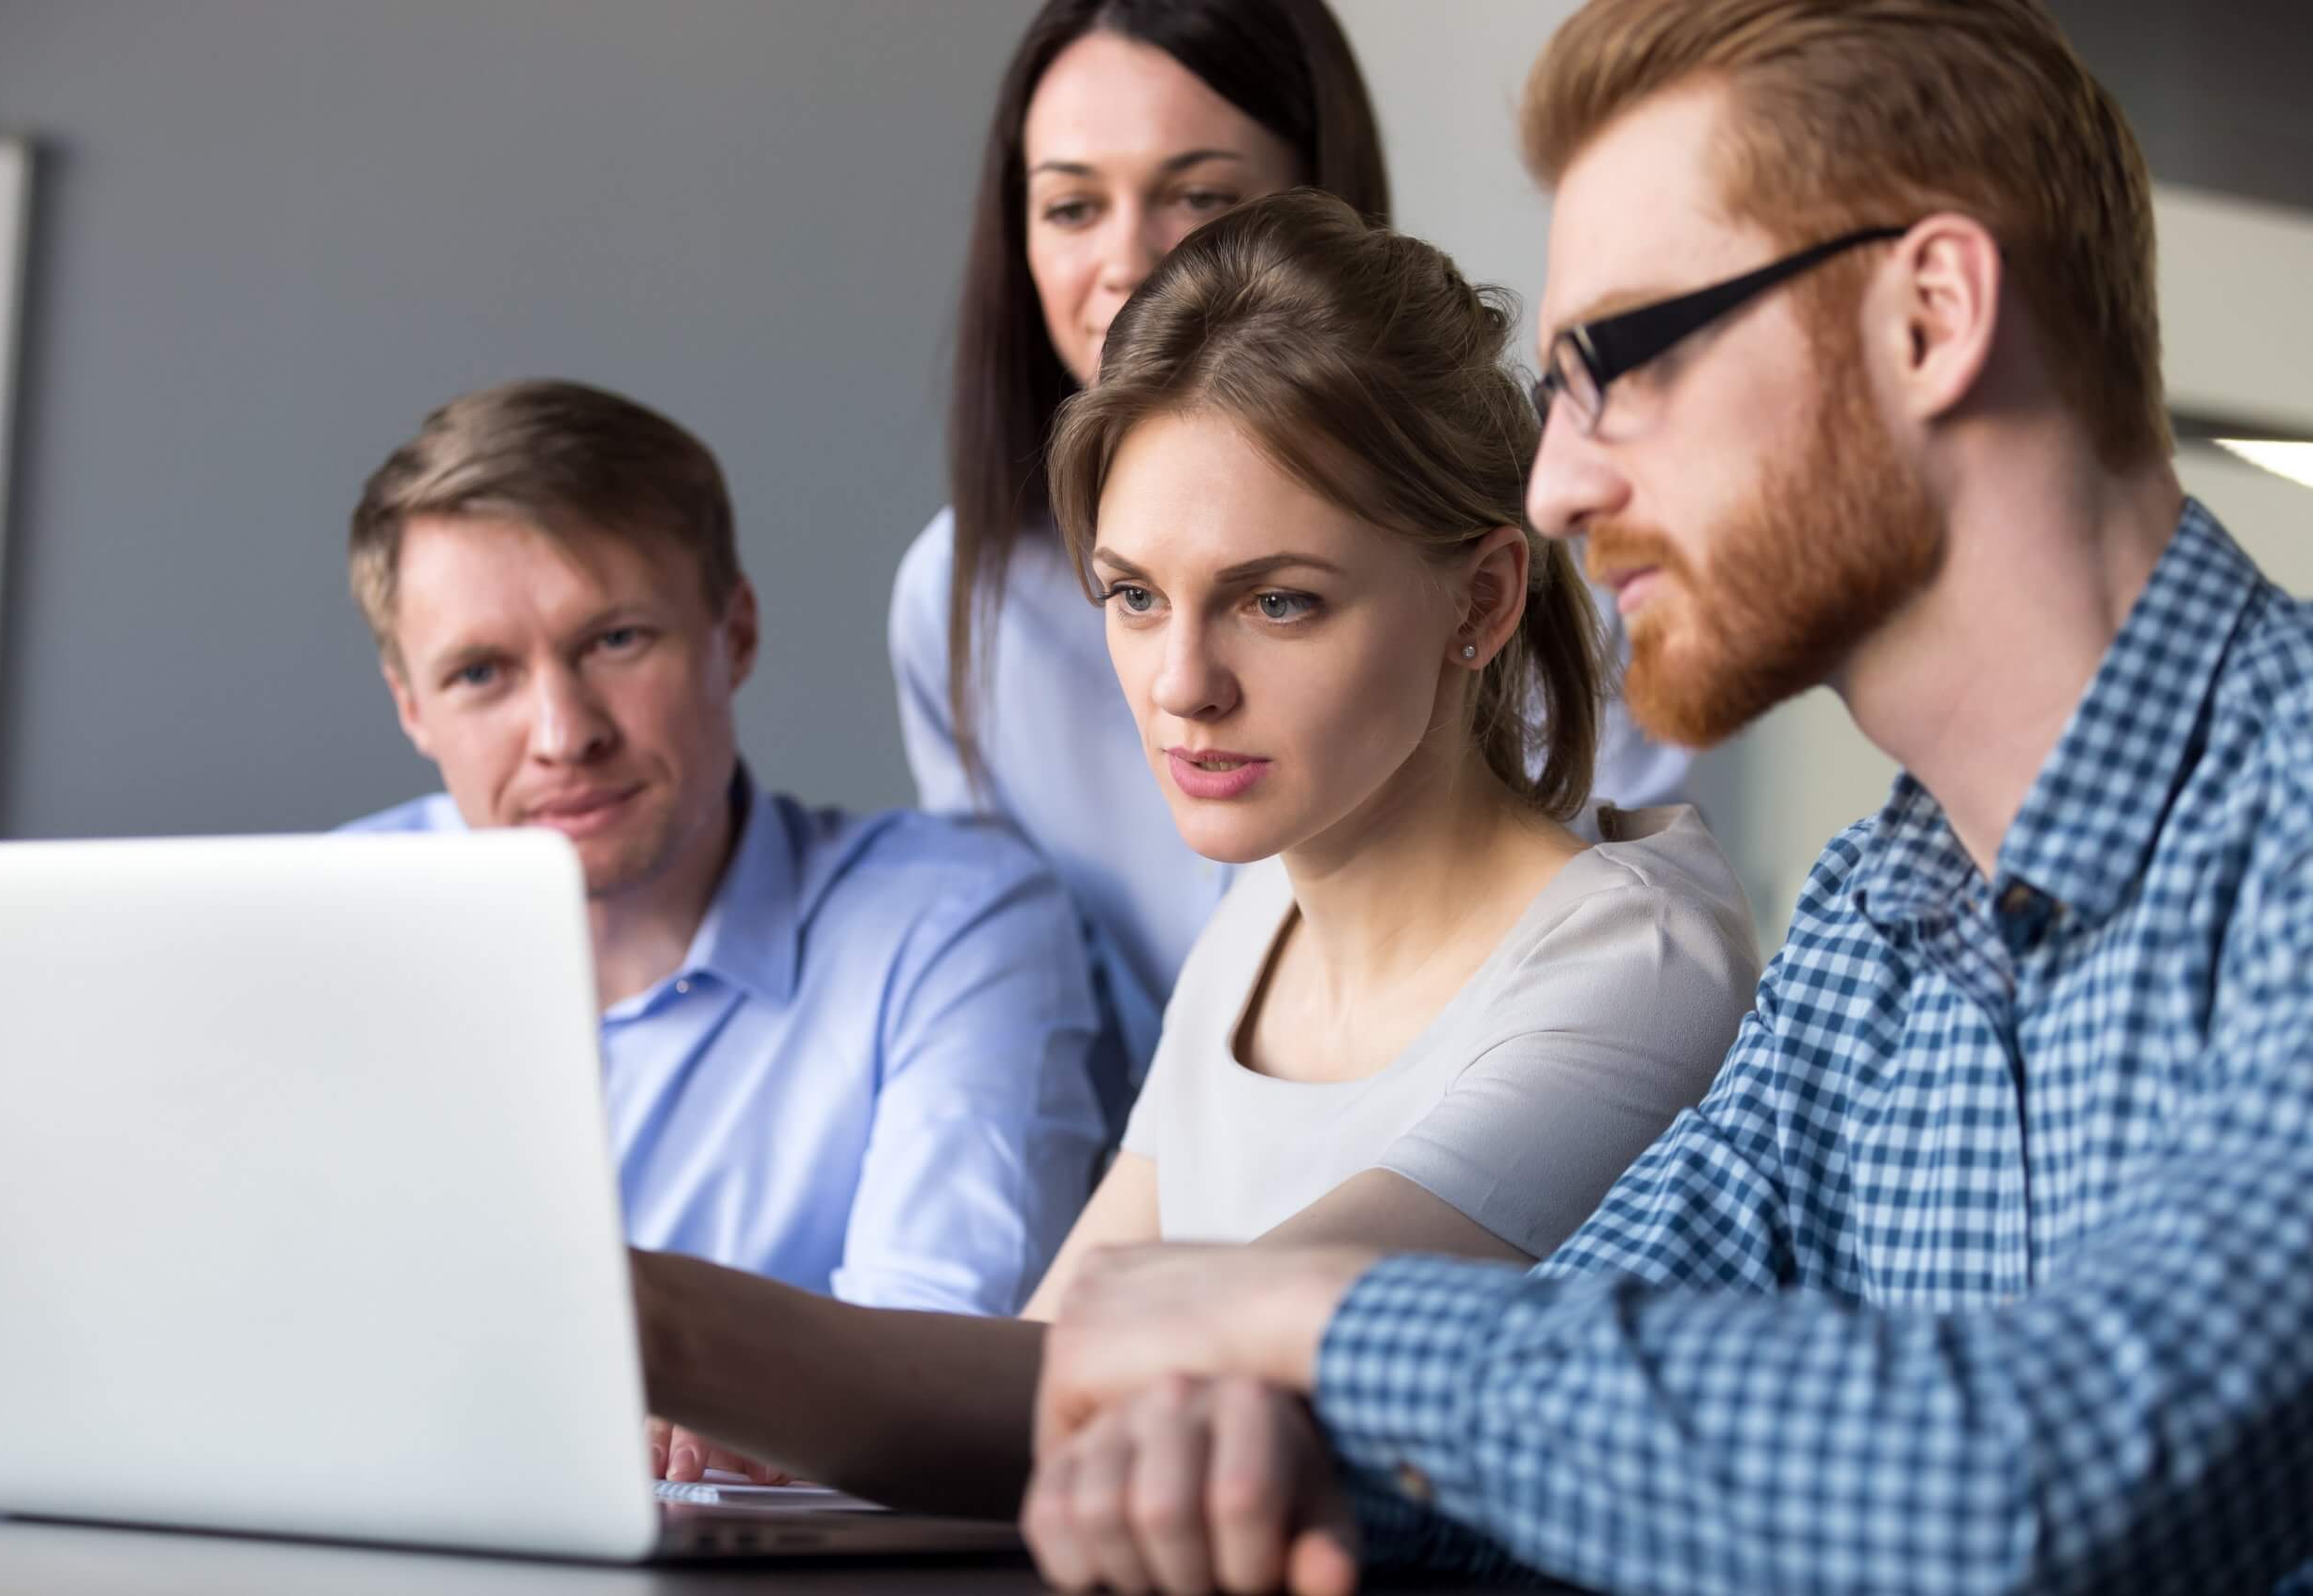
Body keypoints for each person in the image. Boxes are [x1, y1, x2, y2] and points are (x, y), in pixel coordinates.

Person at [1019, 2, 2313, 1592]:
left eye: (1621, 357)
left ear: (1932, 314)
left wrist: (1304, 1318)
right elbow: (1585, 1366)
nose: (1558, 484)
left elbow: (2037, 1485)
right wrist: (1270, 1434)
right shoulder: (1869, 919)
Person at [630, 191, 1760, 1503]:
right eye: (1134, 595)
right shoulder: (1255, 931)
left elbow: (1203, 1342)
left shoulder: (1637, 964)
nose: (1183, 684)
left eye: (1277, 600)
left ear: (1484, 594)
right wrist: (810, 1433)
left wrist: (671, 1326)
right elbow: (1045, 1357)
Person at [887, 0, 1691, 1127]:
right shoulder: (958, 603)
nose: (1125, 262)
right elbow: (1024, 1016)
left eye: (1201, 197)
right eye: (1071, 205)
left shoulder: (1566, 585)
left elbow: (1587, 1014)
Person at [339, 378, 1102, 1317]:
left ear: (733, 636)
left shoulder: (951, 929)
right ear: (412, 707)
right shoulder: (326, 928)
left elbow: (940, 1357)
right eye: (481, 673)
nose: (562, 734)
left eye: (615, 640)